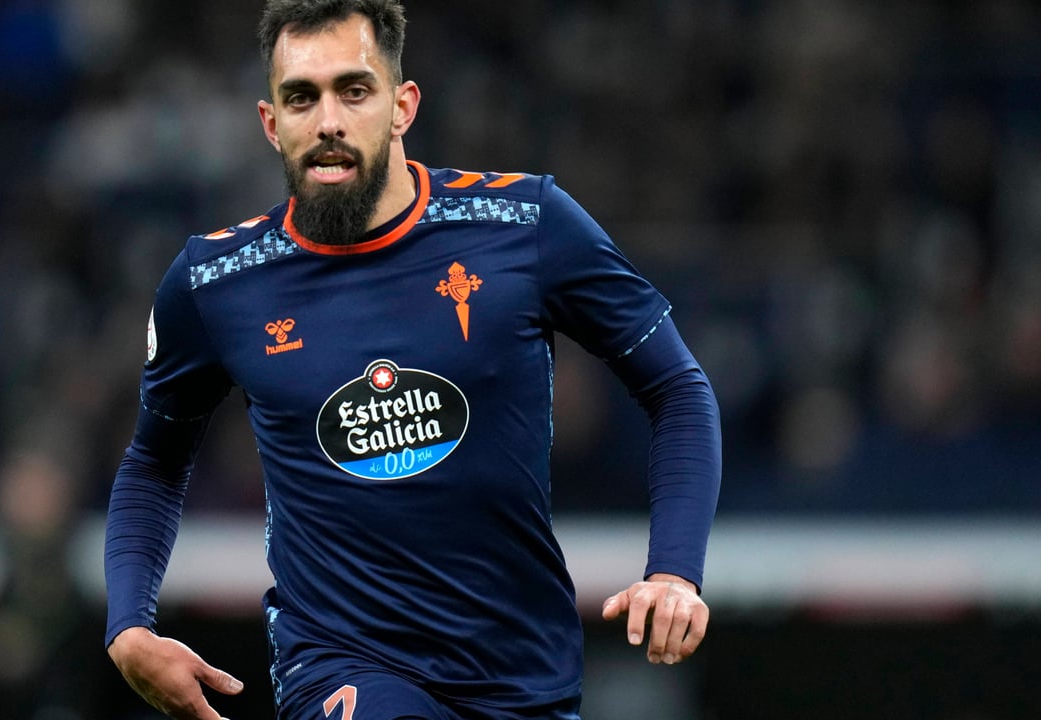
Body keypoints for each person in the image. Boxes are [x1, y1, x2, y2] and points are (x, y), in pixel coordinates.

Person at [103, 1, 722, 718]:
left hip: (522, 675)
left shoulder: (527, 225)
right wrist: (129, 626)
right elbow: (155, 461)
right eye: (301, 97)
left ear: (402, 106)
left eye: (353, 90)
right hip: (338, 666)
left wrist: (675, 571)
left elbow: (677, 389)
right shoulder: (215, 282)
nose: (328, 120)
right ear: (272, 123)